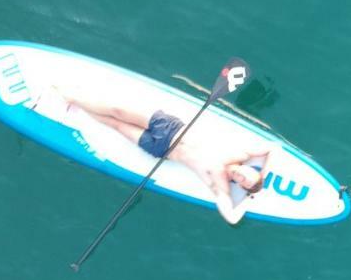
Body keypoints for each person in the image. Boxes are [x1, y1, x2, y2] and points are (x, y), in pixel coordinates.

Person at [34, 84, 271, 225]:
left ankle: (77, 106)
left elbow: (231, 217)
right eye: (247, 172)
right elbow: (271, 149)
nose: (241, 174)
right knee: (118, 111)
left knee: (114, 125)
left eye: (242, 180)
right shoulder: (238, 154)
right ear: (249, 166)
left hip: (161, 149)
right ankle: (70, 97)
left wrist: (250, 198)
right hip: (170, 127)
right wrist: (262, 176)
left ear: (237, 183)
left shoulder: (219, 183)